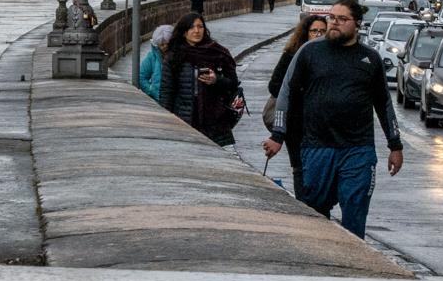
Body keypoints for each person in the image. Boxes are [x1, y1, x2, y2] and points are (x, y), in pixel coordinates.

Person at [263, 0, 403, 237]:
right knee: (315, 212)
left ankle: (355, 262)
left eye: (342, 19)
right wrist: (278, 135)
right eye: (332, 18)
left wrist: (395, 145)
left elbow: (384, 104)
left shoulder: (370, 59)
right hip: (317, 147)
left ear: (357, 23)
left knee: (355, 210)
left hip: (358, 150)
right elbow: (285, 92)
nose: (334, 23)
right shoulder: (310, 52)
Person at [262, 11, 331, 195]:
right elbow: (275, 86)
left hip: (321, 125)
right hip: (295, 123)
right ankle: (303, 201)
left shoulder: (331, 56)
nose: (318, 35)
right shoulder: (292, 55)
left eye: (322, 31)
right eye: (314, 31)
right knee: (299, 167)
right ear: (305, 33)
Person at [161, 11, 247, 146]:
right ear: (184, 32)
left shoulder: (217, 52)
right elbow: (167, 91)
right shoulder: (174, 56)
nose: (196, 31)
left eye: (200, 27)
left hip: (213, 118)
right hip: (184, 116)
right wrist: (165, 120)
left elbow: (233, 83)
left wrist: (216, 80)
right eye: (192, 27)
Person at [138, 25, 172, 102]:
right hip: (158, 99)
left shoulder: (179, 55)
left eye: (168, 44)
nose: (165, 47)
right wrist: (151, 89)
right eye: (162, 44)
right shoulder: (152, 56)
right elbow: (141, 76)